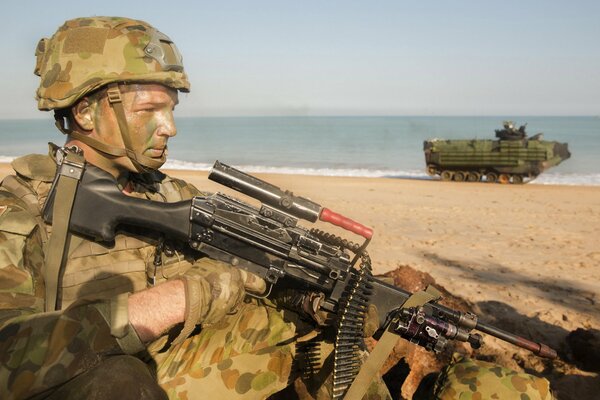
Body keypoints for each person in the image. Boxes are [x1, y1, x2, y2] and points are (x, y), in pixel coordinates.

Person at [0, 16, 391, 400]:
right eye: (148, 109)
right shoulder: (17, 210)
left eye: (171, 109)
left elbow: (249, 287)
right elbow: (7, 357)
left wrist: (307, 297)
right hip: (99, 381)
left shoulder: (175, 196)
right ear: (85, 112)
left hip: (180, 367)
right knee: (118, 379)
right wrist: (184, 295)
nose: (170, 127)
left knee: (324, 345)